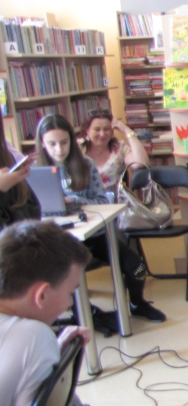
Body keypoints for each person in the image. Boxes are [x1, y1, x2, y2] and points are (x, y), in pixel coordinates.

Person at [1, 115, 112, 406]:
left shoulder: (11, 158)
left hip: (20, 262)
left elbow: (30, 210)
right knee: (32, 348)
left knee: (39, 347)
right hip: (11, 271)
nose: (59, 148)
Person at [0, 220, 93, 406]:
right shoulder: (33, 337)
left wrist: (50, 350)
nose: (68, 304)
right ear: (41, 295)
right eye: (70, 293)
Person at [35, 114, 166, 324]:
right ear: (42, 144)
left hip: (93, 234)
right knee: (65, 274)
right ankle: (84, 313)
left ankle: (137, 303)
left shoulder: (85, 164)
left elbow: (100, 200)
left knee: (135, 266)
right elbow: (33, 209)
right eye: (52, 144)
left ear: (71, 140)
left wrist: (71, 200)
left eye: (64, 142)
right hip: (57, 240)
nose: (59, 149)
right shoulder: (35, 171)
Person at [78, 108, 149, 192]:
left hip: (113, 199)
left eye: (107, 129)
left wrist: (127, 131)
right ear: (87, 130)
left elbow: (139, 163)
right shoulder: (77, 148)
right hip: (84, 198)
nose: (102, 134)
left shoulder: (119, 147)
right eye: (97, 129)